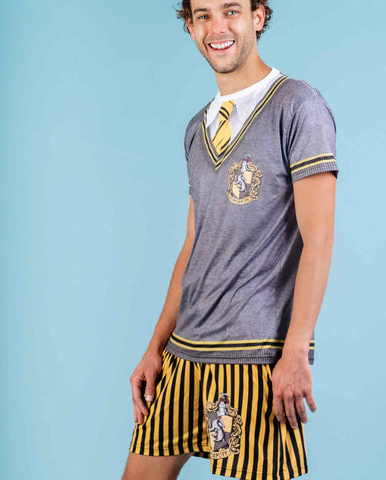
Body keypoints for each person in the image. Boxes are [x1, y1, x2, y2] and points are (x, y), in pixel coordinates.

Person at [121, 1, 338, 479]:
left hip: (252, 359)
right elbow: (192, 248)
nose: (216, 27)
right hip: (184, 352)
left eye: (231, 10)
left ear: (258, 16)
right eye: (203, 15)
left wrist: (296, 351)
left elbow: (319, 240)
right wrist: (155, 347)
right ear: (189, 26)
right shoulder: (196, 129)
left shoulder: (297, 106)